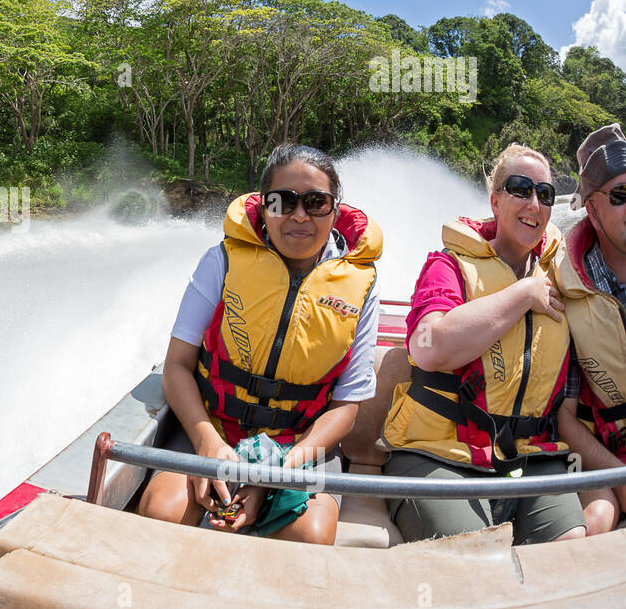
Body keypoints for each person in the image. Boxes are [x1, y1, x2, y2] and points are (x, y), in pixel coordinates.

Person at [138, 144, 382, 545]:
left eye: (316, 202)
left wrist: (278, 472)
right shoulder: (221, 261)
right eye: (282, 201)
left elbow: (346, 405)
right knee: (162, 515)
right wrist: (208, 445)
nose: (299, 215)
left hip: (303, 442)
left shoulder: (363, 285)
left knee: (310, 536)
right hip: (212, 426)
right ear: (263, 206)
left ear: (335, 211)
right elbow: (178, 366)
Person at [381, 143, 586, 544]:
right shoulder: (447, 266)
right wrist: (524, 294)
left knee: (570, 546)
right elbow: (429, 347)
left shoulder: (562, 271)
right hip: (437, 451)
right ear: (494, 200)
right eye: (520, 188)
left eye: (544, 194)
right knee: (474, 555)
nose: (534, 203)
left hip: (528, 454)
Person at [554, 124, 626, 533]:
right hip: (599, 452)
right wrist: (618, 476)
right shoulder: (563, 288)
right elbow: (565, 419)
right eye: (620, 196)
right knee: (598, 520)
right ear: (592, 209)